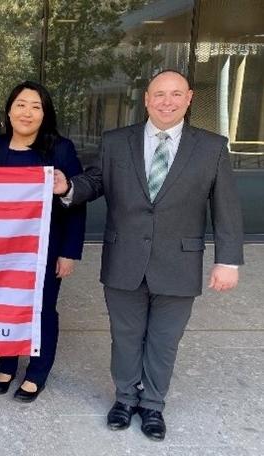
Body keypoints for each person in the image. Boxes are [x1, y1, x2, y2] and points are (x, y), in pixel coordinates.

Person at [53, 69, 244, 441]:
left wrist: (227, 260)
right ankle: (125, 399)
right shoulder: (115, 142)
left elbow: (227, 209)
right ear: (146, 99)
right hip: (124, 259)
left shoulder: (211, 147)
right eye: (159, 94)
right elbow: (95, 182)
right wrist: (68, 187)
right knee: (125, 336)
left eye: (175, 94)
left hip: (179, 262)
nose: (167, 102)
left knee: (164, 339)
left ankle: (153, 405)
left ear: (189, 98)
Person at [0, 81, 86, 402]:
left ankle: (37, 371)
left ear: (45, 114)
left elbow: (75, 202)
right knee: (4, 304)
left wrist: (69, 252)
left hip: (45, 247)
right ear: (9, 110)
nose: (27, 112)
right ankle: (7, 362)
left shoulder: (61, 149)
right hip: (2, 249)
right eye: (21, 105)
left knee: (42, 310)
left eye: (36, 106)